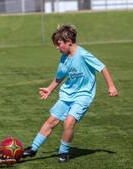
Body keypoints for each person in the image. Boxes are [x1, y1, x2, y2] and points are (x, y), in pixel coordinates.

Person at [22, 24, 118, 163]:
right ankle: (33, 148)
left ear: (69, 42)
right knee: (51, 121)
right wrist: (49, 89)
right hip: (67, 94)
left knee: (68, 122)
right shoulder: (64, 57)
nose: (57, 47)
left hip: (83, 95)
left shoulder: (83, 54)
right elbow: (60, 76)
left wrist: (111, 86)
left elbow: (102, 67)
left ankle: (63, 152)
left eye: (58, 44)